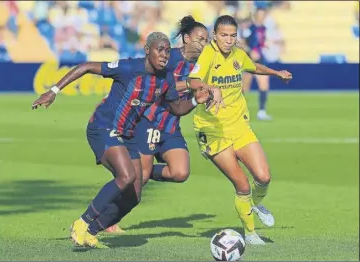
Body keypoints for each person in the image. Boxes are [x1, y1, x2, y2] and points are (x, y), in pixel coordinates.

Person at [31, 32, 212, 248]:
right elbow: (87, 66)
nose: (164, 55)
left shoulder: (166, 80)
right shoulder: (127, 68)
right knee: (126, 176)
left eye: (166, 50)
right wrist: (53, 91)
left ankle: (92, 231)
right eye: (159, 50)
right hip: (103, 126)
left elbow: (177, 108)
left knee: (134, 195)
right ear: (147, 50)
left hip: (128, 135)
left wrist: (194, 100)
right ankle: (82, 223)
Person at [187, 15, 292, 245]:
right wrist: (209, 86)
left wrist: (276, 73)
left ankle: (254, 203)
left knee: (263, 177)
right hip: (213, 130)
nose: (228, 40)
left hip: (239, 126)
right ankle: (251, 233)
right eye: (224, 35)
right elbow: (193, 80)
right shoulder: (208, 54)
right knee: (242, 184)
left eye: (232, 35)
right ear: (215, 35)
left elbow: (253, 67)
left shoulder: (237, 54)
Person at [105, 15, 209, 234]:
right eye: (201, 39)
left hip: (171, 125)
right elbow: (155, 83)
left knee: (180, 172)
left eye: (207, 40)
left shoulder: (202, 64)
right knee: (136, 182)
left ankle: (146, 172)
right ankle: (108, 218)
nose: (204, 43)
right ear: (187, 39)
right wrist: (191, 84)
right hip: (149, 120)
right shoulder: (167, 57)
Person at [240, 8, 273, 121]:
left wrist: (265, 45)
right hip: (249, 60)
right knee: (244, 87)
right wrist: (250, 51)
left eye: (263, 15)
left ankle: (262, 112)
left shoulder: (263, 29)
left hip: (260, 60)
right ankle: (238, 111)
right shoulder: (250, 29)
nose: (261, 17)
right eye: (259, 15)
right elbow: (242, 44)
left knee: (264, 84)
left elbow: (260, 42)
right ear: (256, 16)